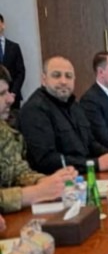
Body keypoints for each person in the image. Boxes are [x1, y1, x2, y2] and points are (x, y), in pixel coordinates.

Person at [19, 56, 108, 173]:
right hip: (57, 180)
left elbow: (90, 143)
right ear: (44, 79)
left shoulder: (74, 106)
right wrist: (95, 164)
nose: (63, 81)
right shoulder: (35, 110)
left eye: (68, 76)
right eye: (56, 75)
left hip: (84, 174)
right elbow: (46, 161)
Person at [0, 64, 77, 214]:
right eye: (2, 93)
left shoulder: (4, 130)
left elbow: (18, 171)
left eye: (8, 91)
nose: (10, 99)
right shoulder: (35, 108)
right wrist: (34, 193)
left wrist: (47, 181)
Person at [0, 13, 26, 110]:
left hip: (13, 96)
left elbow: (21, 72)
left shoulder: (14, 47)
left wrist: (13, 92)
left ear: (3, 25)